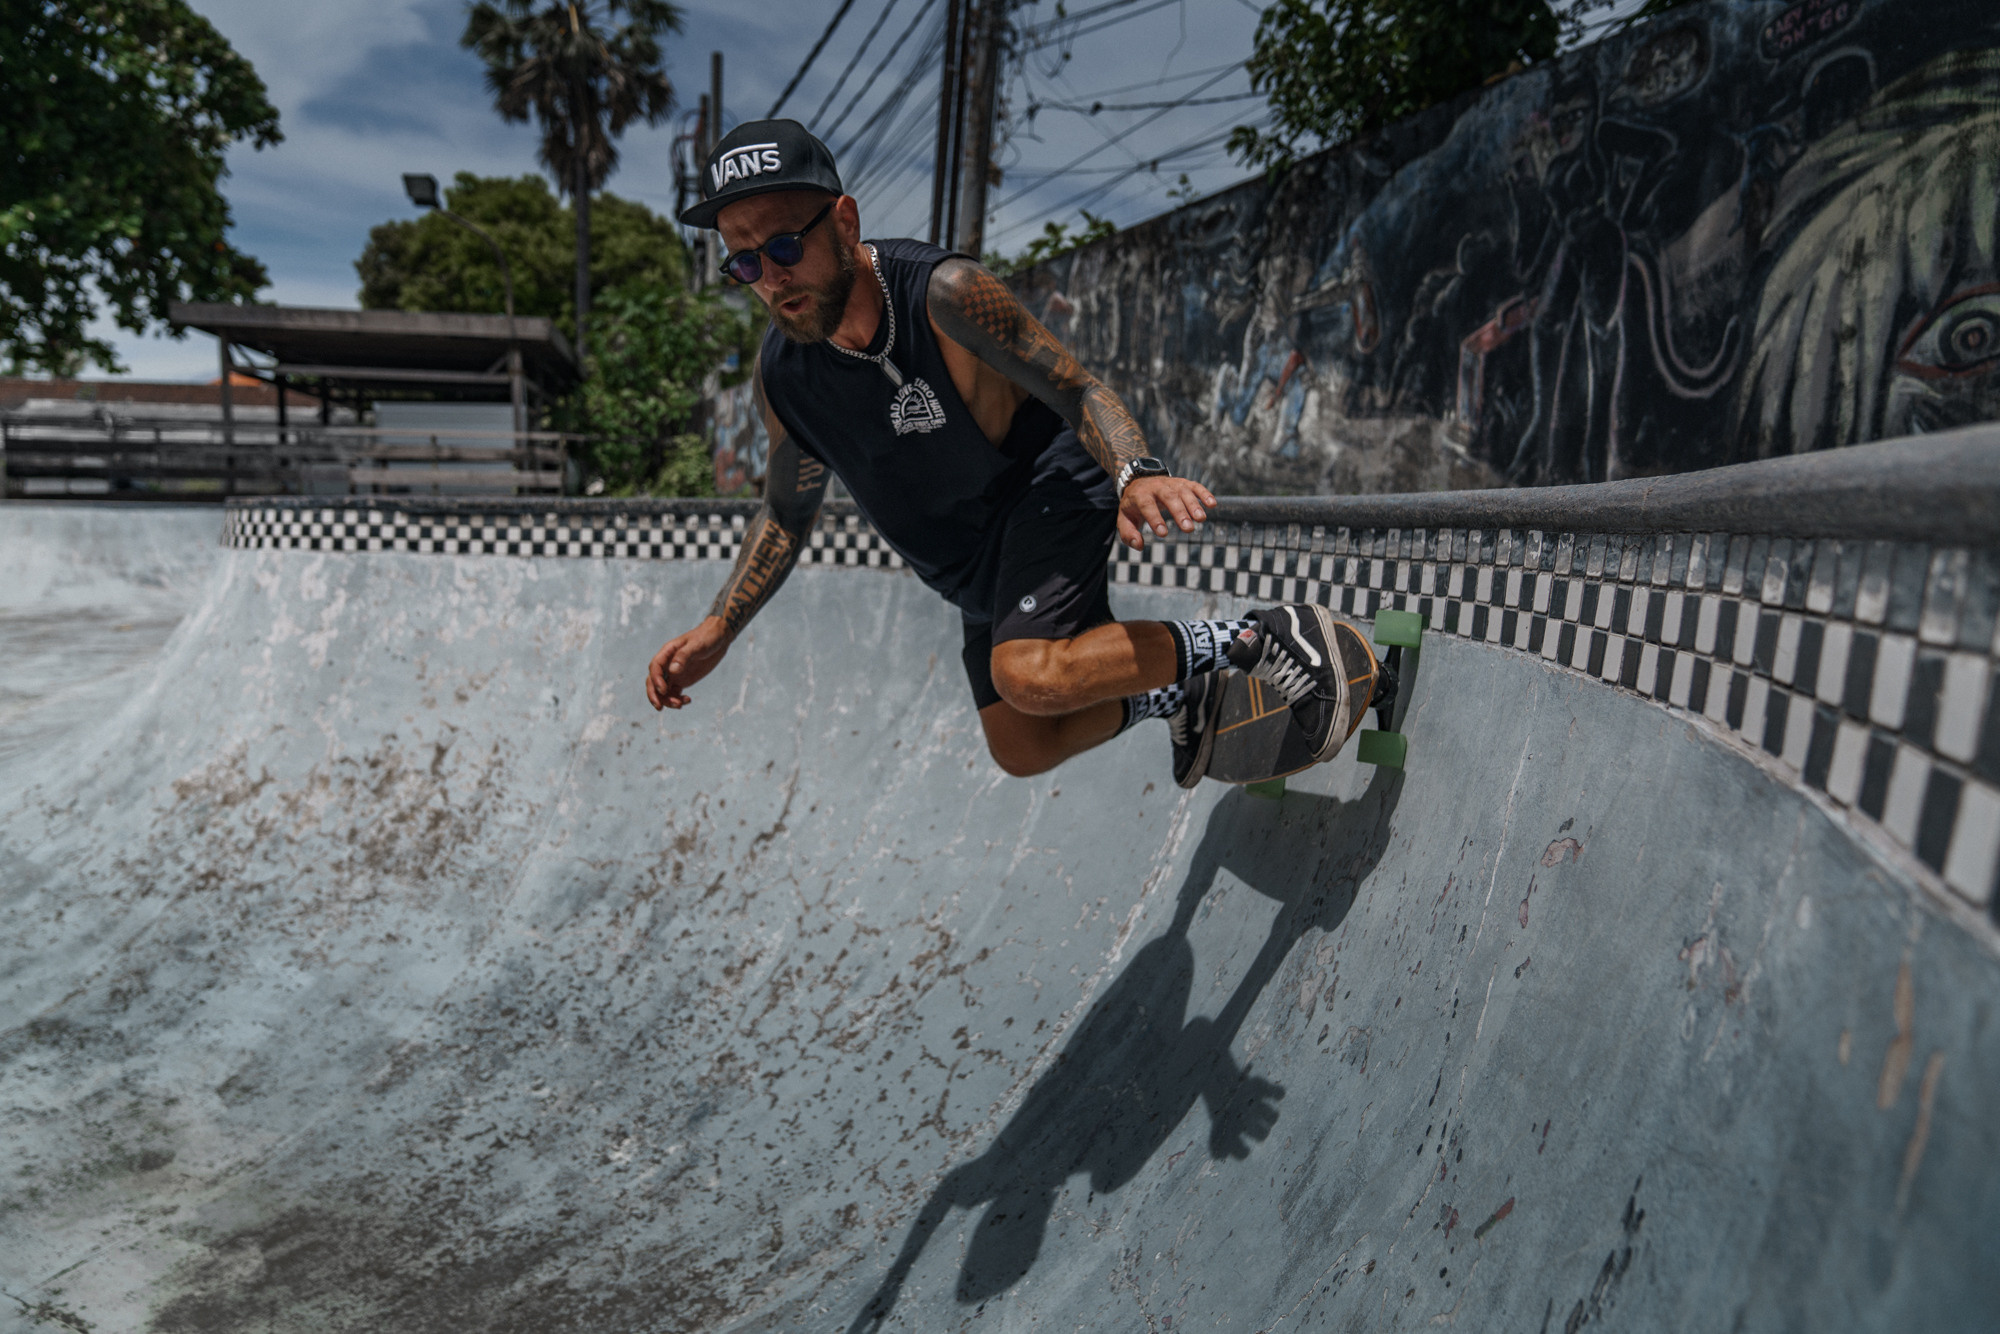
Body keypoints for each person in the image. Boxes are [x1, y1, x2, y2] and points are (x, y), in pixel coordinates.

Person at [646, 120, 1373, 783]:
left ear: (844, 220)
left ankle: (1266, 636)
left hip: (1045, 490)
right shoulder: (785, 376)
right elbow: (785, 511)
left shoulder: (945, 295)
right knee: (1021, 745)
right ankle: (1180, 686)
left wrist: (1134, 472)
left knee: (1028, 674)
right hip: (973, 568)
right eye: (744, 264)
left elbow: (1077, 389)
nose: (771, 279)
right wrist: (719, 627)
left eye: (782, 247)